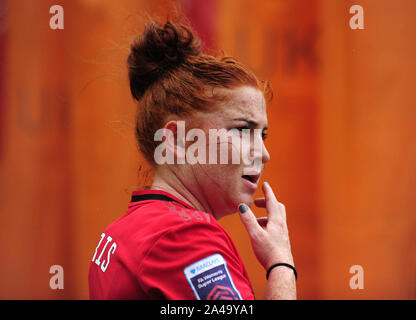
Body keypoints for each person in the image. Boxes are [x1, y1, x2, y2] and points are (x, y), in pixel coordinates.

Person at [88, 20, 296, 300]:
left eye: (263, 135)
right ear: (176, 141)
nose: (263, 153)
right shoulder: (182, 237)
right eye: (243, 130)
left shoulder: (126, 230)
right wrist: (281, 264)